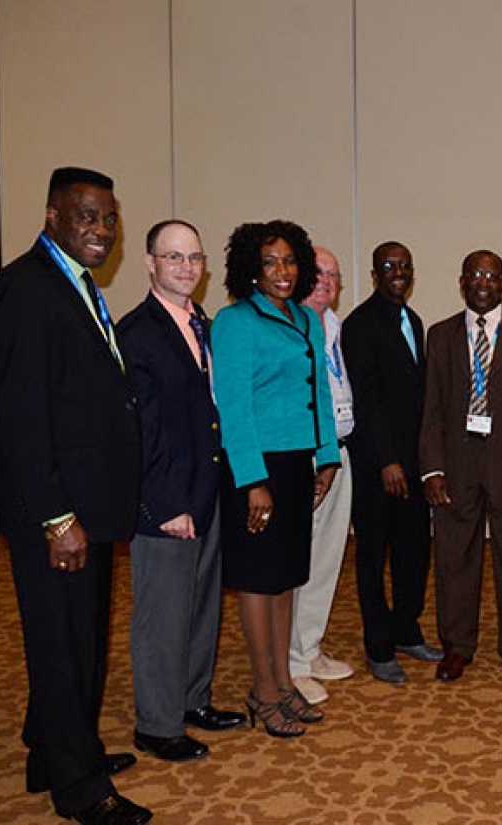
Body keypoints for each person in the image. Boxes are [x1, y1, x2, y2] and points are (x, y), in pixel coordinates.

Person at [0, 167, 152, 823]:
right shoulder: (24, 290)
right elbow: (22, 418)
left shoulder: (71, 285)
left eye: (108, 218)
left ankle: (50, 748)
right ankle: (80, 788)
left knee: (78, 639)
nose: (101, 231)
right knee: (62, 642)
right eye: (86, 216)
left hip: (87, 503)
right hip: (58, 511)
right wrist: (57, 517)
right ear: (53, 216)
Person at [117, 220, 245, 764]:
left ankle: (193, 701)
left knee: (201, 610)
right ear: (150, 263)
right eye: (174, 258)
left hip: (207, 488)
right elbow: (141, 429)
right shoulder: (137, 332)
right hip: (167, 501)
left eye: (193, 258)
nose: (187, 268)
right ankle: (157, 724)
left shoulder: (205, 325)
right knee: (162, 616)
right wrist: (166, 505)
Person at [211, 220, 340, 738]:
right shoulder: (235, 322)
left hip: (297, 466)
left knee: (286, 577)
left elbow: (321, 396)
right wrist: (252, 481)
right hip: (256, 468)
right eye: (270, 262)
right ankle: (263, 690)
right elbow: (234, 408)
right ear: (250, 268)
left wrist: (327, 457)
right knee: (258, 583)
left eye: (289, 261)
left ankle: (284, 682)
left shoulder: (307, 321)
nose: (282, 271)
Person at [420, 250, 502, 682]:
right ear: (462, 282)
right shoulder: (439, 336)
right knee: (455, 559)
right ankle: (457, 646)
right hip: (456, 467)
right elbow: (432, 408)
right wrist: (431, 468)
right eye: (475, 275)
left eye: (492, 275)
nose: (483, 282)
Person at [342, 241, 442, 685]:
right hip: (377, 466)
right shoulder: (360, 324)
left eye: (404, 266)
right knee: (372, 556)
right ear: (374, 272)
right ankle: (378, 646)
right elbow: (366, 399)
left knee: (414, 550)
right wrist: (386, 460)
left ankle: (405, 628)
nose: (397, 272)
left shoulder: (413, 321)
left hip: (413, 463)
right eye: (389, 266)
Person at [289, 247, 355, 705]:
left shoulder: (332, 327)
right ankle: (290, 664)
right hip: (304, 460)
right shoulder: (288, 326)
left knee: (327, 559)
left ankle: (308, 649)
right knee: (297, 559)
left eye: (333, 275)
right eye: (318, 274)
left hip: (338, 455)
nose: (326, 282)